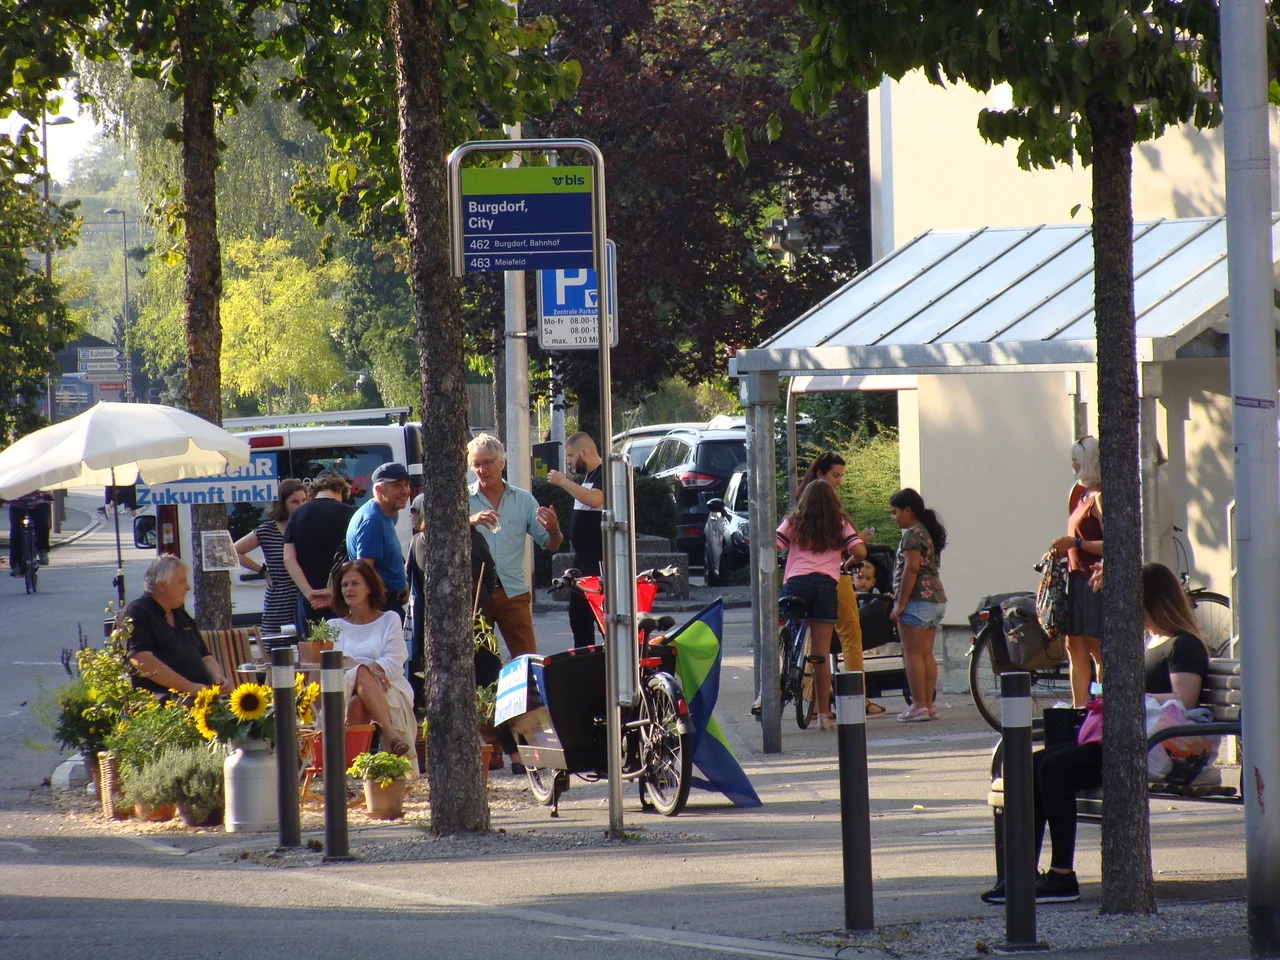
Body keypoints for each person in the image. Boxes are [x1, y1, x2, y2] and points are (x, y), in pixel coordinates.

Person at [981, 562, 1209, 905]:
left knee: (1054, 769)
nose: (1137, 615)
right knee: (1034, 764)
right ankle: (1022, 874)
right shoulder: (1151, 641)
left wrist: (1128, 695)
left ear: (1157, 603)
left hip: (1150, 746)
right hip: (1124, 738)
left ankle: (1062, 876)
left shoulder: (1184, 645)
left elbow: (1184, 699)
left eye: (1140, 606)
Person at [776, 479, 865, 731]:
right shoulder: (840, 524)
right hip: (827, 586)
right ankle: (824, 714)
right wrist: (846, 563)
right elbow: (860, 552)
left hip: (796, 584)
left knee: (784, 635)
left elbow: (776, 544)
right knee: (820, 654)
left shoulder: (794, 522)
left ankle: (781, 677)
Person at [467, 433, 564, 658]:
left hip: (512, 591)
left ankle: (529, 694)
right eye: (476, 465)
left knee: (528, 660)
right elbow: (429, 529)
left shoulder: (523, 500)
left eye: (488, 463)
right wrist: (470, 521)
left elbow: (552, 545)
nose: (482, 470)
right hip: (474, 594)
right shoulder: (462, 498)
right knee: (479, 664)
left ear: (501, 462)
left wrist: (555, 530)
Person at [797, 452, 877, 714]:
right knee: (851, 636)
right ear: (820, 473)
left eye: (841, 476)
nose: (839, 481)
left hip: (800, 579)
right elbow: (843, 548)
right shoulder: (829, 506)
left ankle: (814, 702)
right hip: (834, 577)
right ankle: (857, 697)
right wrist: (858, 541)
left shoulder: (802, 503)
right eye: (835, 475)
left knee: (812, 643)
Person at [326, 561, 418, 774]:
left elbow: (396, 659)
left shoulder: (389, 619)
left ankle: (351, 773)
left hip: (388, 683)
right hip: (345, 686)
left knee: (358, 702)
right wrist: (365, 670)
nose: (348, 589)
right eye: (344, 585)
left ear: (369, 587)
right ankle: (390, 733)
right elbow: (334, 664)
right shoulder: (333, 627)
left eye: (355, 583)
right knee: (358, 675)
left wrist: (370, 671)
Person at [1050, 435, 1104, 708]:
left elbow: (1113, 544)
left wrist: (1077, 543)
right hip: (1074, 576)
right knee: (1075, 646)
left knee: (1097, 647)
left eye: (1076, 460)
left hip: (1093, 578)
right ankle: (1078, 707)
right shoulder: (1078, 492)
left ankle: (1104, 704)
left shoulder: (1100, 498)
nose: (1072, 465)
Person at [124, 555, 226, 696]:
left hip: (201, 695)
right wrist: (189, 687)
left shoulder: (180, 615)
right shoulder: (138, 612)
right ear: (161, 586)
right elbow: (141, 660)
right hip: (165, 701)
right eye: (181, 581)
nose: (188, 587)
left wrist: (217, 676)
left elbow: (205, 657)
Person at [888, 487, 947, 723]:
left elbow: (911, 568)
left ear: (907, 510)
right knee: (925, 654)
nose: (894, 518)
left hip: (916, 600)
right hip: (935, 598)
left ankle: (919, 706)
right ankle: (929, 705)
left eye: (895, 512)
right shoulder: (927, 532)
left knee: (912, 654)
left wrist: (900, 604)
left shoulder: (911, 535)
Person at [547, 432, 604, 648]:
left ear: (585, 452)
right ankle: (584, 663)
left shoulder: (603, 473)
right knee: (578, 618)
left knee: (601, 617)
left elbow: (595, 498)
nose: (568, 462)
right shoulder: (588, 478)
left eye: (570, 456)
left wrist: (563, 482)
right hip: (582, 560)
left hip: (599, 560)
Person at [283, 472, 355, 634]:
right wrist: (334, 592)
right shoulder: (350, 514)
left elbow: (288, 558)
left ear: (313, 492)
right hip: (341, 596)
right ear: (341, 492)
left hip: (308, 599)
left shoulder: (297, 514)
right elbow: (355, 559)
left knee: (311, 653)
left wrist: (309, 593)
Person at [233, 479, 307, 635]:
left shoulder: (309, 526)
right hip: (279, 601)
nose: (301, 505)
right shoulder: (267, 530)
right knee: (277, 648)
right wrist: (263, 571)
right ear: (282, 504)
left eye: (304, 500)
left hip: (304, 598)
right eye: (294, 502)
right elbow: (234, 551)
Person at [346, 462, 412, 620]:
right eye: (397, 486)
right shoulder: (372, 520)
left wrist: (402, 584)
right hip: (380, 607)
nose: (405, 491)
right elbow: (363, 571)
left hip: (390, 604)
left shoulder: (383, 515)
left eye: (407, 485)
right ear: (378, 490)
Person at [7, 489, 52, 574]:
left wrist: (48, 494)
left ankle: (42, 550)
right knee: (16, 532)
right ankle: (16, 564)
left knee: (42, 525)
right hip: (17, 503)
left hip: (38, 502)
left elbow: (46, 481)